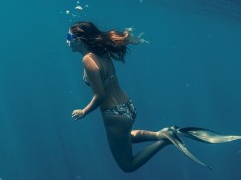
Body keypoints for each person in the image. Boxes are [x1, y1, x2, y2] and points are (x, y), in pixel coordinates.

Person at [67, 21, 241, 172]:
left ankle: (166, 140)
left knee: (128, 165)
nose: (67, 41)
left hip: (114, 115)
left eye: (69, 37)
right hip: (127, 106)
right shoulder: (101, 52)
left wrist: (84, 111)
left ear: (79, 39)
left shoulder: (88, 60)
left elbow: (100, 96)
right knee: (126, 137)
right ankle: (162, 134)